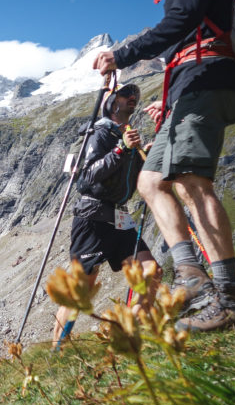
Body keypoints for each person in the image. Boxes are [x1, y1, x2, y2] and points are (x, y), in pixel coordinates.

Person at [92, 0, 235, 332]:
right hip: (193, 85)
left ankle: (232, 298)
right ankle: (193, 278)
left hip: (207, 78)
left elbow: (183, 16)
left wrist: (123, 54)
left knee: (191, 182)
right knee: (151, 181)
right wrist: (168, 104)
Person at [53, 84, 162, 347]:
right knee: (83, 287)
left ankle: (129, 329)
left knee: (152, 270)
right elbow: (88, 176)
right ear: (112, 103)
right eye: (126, 95)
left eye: (135, 95)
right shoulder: (100, 133)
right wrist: (121, 149)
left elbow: (128, 178)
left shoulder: (125, 136)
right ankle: (58, 349)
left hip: (119, 217)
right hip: (93, 215)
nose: (133, 97)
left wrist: (145, 156)